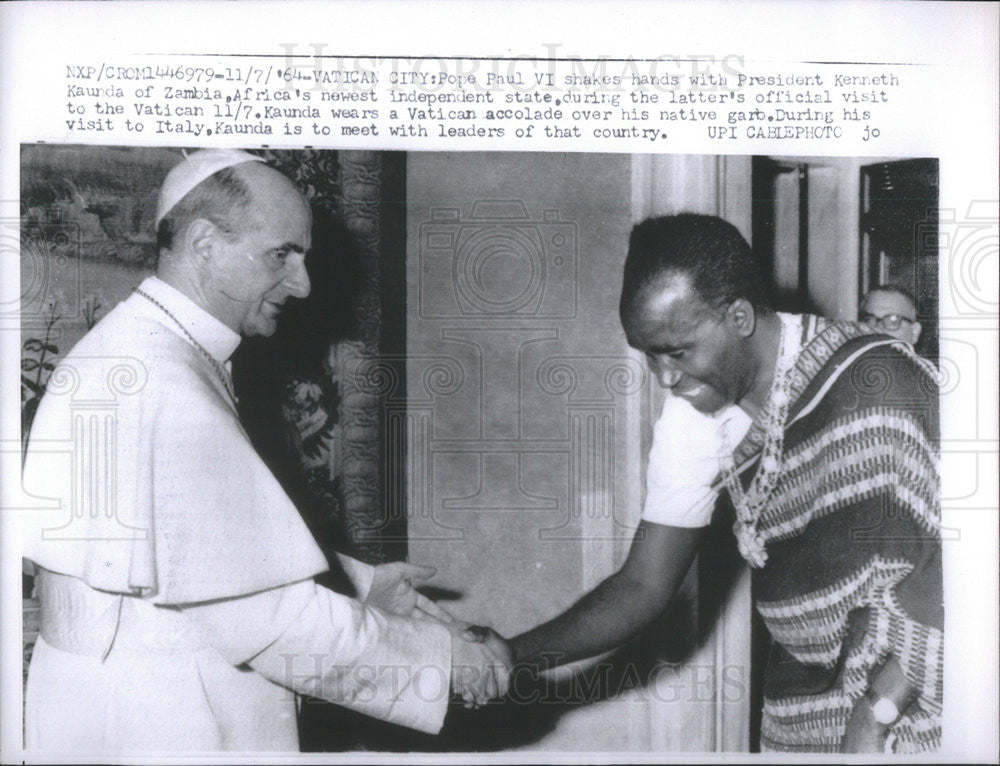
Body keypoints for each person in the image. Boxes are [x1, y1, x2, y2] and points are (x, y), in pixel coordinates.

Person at [21, 149, 509, 752]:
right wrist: (442, 662)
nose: (302, 284)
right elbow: (265, 619)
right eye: (282, 253)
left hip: (126, 696)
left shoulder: (147, 350)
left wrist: (356, 585)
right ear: (204, 244)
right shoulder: (163, 379)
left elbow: (197, 551)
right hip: (161, 716)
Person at [478, 214, 942, 754]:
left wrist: (875, 713)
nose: (665, 377)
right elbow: (643, 586)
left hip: (908, 716)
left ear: (739, 317)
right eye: (649, 354)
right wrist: (512, 655)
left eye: (677, 351)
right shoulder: (695, 414)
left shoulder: (880, 385)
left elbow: (964, 574)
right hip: (804, 716)